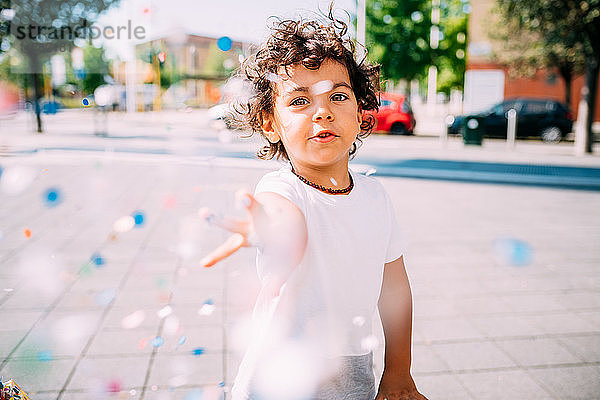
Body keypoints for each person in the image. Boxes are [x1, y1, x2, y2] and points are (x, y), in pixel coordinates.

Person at [199, 7, 428, 400]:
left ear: (360, 113)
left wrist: (399, 371)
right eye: (300, 101)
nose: (322, 111)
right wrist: (265, 227)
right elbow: (282, 218)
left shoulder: (375, 196)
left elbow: (394, 289)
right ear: (270, 122)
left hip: (354, 373)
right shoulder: (283, 187)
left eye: (337, 96)